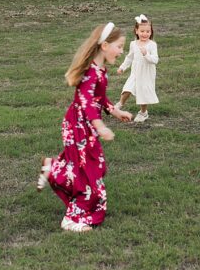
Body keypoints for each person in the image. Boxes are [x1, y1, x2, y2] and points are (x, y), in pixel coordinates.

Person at [37, 22, 133, 232]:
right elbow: (86, 102)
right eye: (119, 46)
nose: (121, 51)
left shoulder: (100, 71)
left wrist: (117, 112)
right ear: (105, 45)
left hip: (85, 127)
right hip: (78, 127)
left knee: (94, 168)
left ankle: (53, 169)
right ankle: (72, 219)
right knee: (87, 173)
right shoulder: (91, 72)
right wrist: (100, 127)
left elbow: (100, 99)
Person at [117, 14, 159, 123]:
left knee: (142, 93)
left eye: (148, 31)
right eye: (142, 31)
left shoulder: (152, 45)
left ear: (151, 32)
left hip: (146, 73)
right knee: (127, 88)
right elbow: (129, 57)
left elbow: (155, 60)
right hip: (136, 72)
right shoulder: (133, 44)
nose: (145, 34)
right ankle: (119, 105)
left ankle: (143, 113)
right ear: (136, 31)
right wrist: (122, 67)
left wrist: (146, 55)